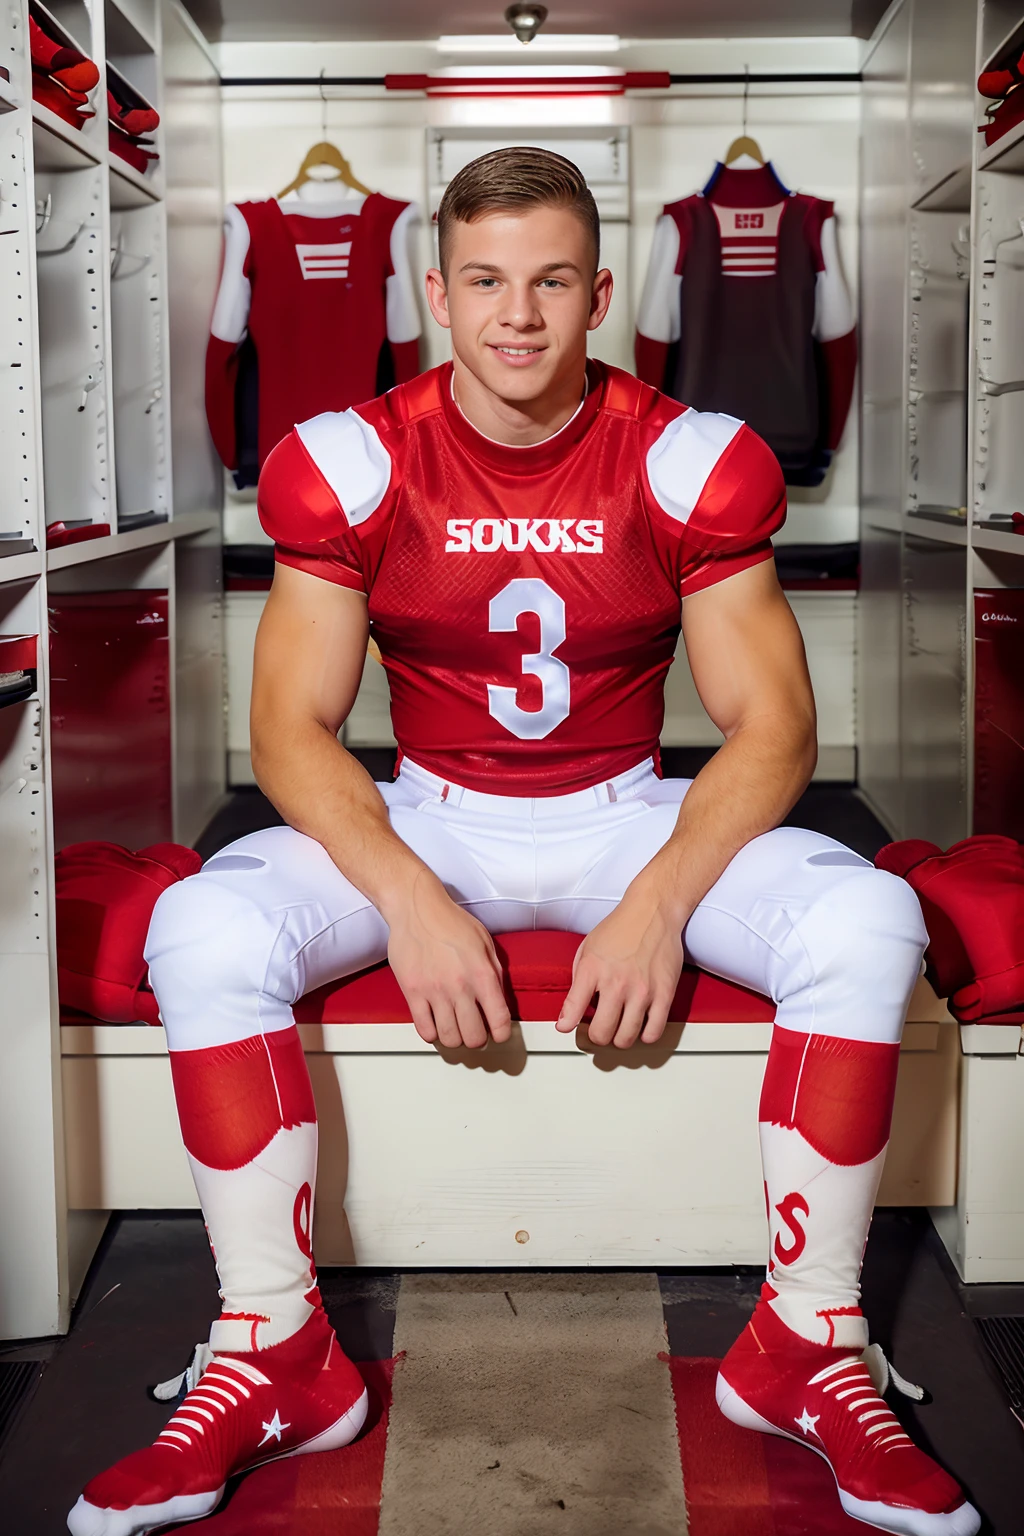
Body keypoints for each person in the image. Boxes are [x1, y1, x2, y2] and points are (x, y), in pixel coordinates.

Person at [69, 147, 979, 1536]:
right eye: (486, 281)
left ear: (603, 292)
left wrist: (662, 900)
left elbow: (776, 729)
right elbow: (293, 734)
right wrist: (417, 902)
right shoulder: (355, 457)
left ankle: (807, 1341)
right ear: (434, 291)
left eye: (553, 280)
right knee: (205, 928)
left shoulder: (688, 455)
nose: (519, 315)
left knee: (873, 922)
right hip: (430, 811)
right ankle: (275, 1350)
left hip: (628, 810)